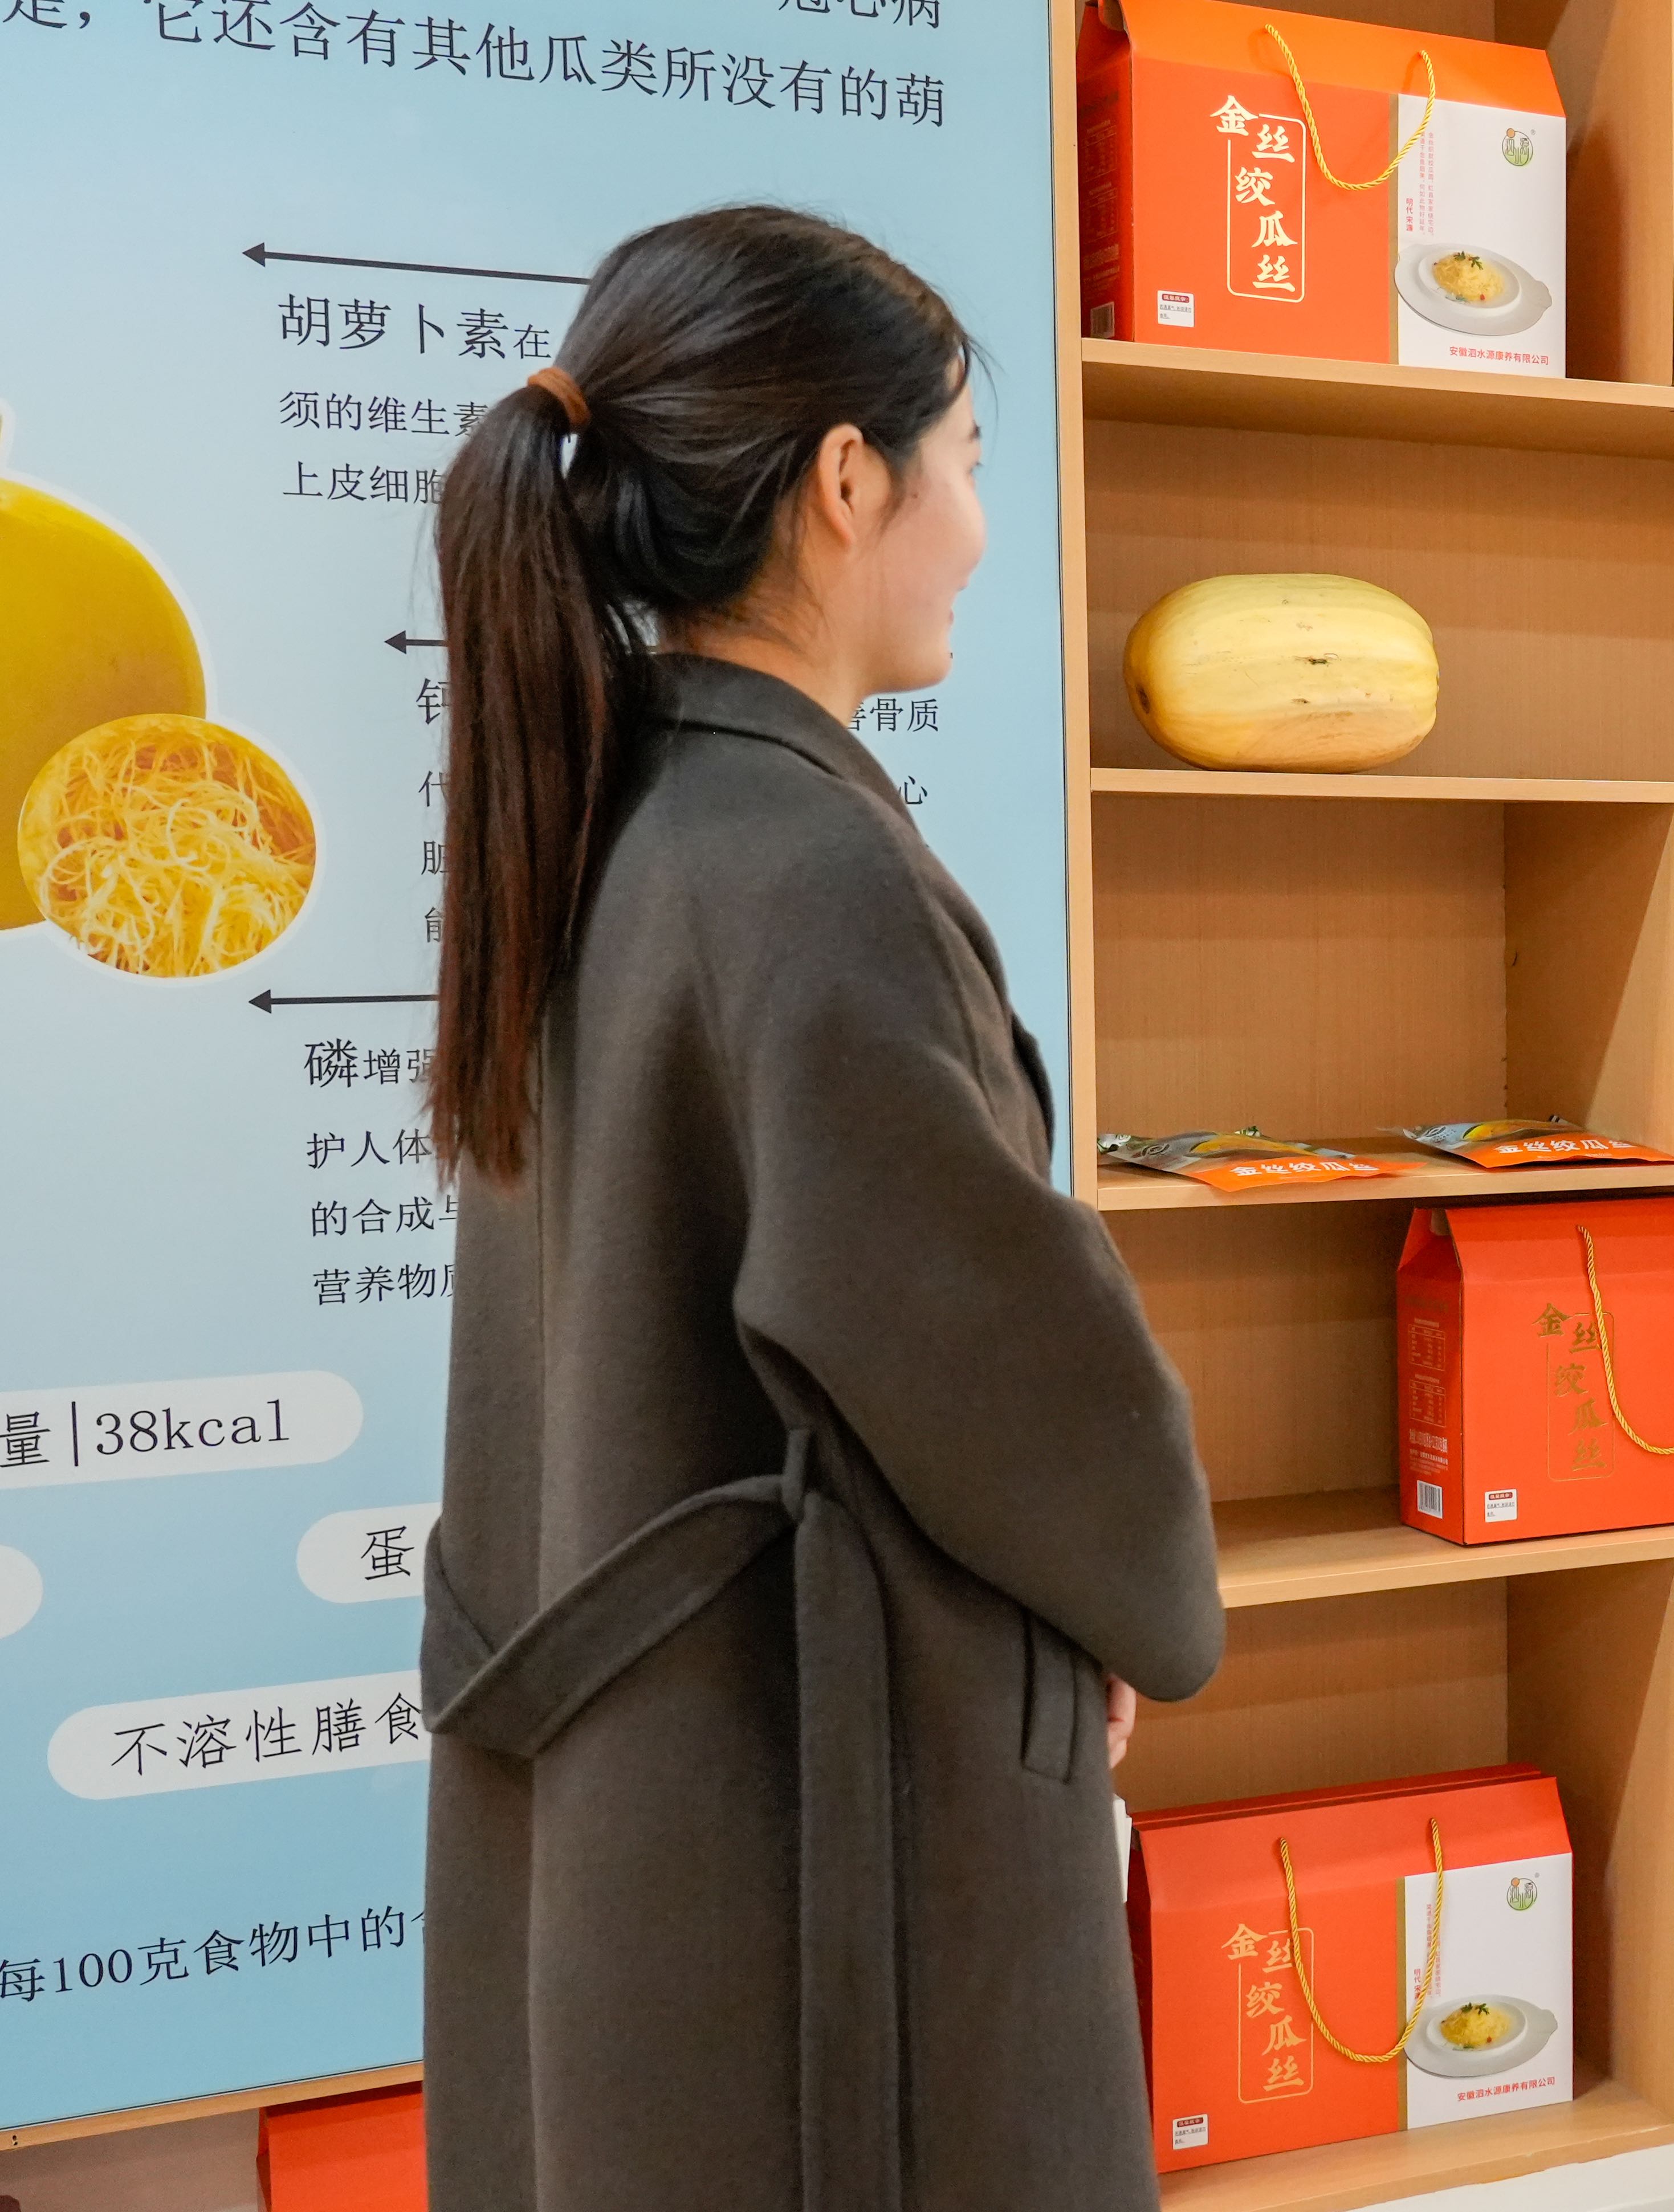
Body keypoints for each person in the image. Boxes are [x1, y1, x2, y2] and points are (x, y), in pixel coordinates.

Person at [416, 207, 1223, 2212]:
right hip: (810, 1793)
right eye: (967, 466)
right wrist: (1127, 1597)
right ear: (847, 482)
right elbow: (982, 1345)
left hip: (640, 1790)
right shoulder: (810, 866)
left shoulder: (603, 810)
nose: (979, 532)